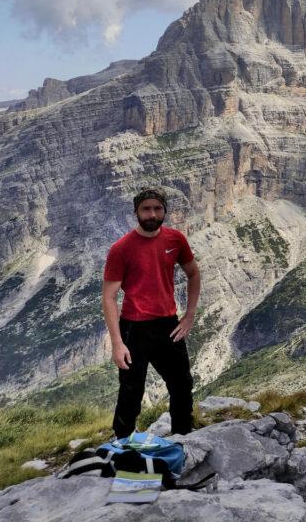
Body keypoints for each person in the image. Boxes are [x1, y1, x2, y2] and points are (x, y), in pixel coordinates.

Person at [102, 187, 201, 438]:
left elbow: (193, 273)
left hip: (168, 324)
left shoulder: (175, 239)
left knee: (182, 384)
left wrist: (189, 316)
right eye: (146, 208)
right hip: (134, 327)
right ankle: (122, 442)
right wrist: (117, 343)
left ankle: (182, 436)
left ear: (165, 211)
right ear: (136, 211)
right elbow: (109, 297)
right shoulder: (121, 248)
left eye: (157, 208)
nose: (152, 214)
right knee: (131, 390)